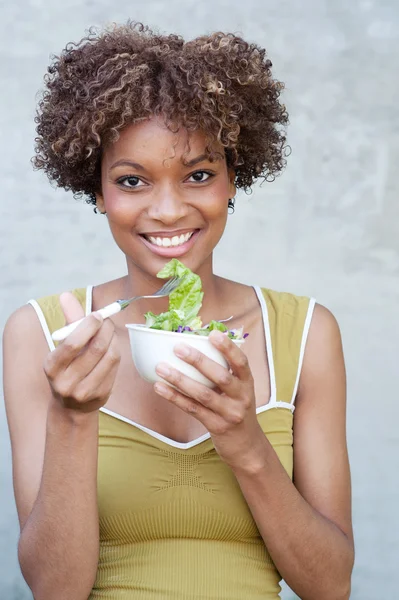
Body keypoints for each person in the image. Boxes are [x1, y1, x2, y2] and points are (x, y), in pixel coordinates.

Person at [3, 21, 354, 600]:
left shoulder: (306, 333)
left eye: (198, 175)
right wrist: (72, 416)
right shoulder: (41, 334)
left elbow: (330, 586)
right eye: (133, 180)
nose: (168, 210)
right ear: (98, 191)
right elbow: (54, 590)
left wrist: (244, 441)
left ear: (232, 180)